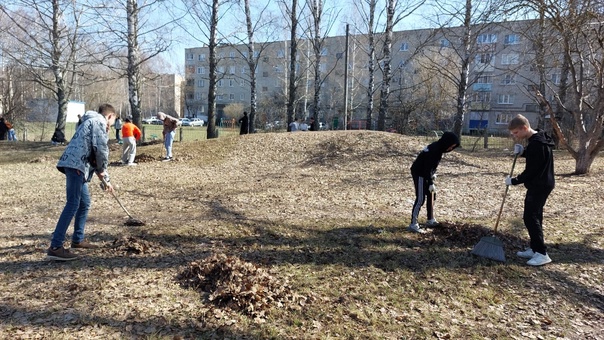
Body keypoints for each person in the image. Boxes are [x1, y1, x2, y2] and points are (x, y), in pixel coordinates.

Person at [46, 104, 116, 261]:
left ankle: (77, 240)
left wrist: (105, 178)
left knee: (84, 203)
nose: (111, 125)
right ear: (110, 116)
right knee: (73, 204)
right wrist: (103, 172)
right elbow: (101, 150)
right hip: (76, 165)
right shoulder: (99, 122)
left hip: (76, 165)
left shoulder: (88, 121)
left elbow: (93, 152)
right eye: (113, 121)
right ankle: (55, 247)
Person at [505, 114, 555, 266]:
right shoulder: (538, 139)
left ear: (524, 128)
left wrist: (514, 181)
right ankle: (535, 248)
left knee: (530, 217)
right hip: (542, 183)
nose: (515, 136)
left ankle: (541, 253)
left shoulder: (537, 144)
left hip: (539, 185)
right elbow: (536, 157)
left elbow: (531, 170)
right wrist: (523, 153)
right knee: (535, 216)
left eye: (516, 133)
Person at [408, 131, 460, 233]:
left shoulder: (438, 148)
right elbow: (426, 168)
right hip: (419, 173)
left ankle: (430, 219)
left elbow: (430, 167)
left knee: (431, 194)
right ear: (446, 142)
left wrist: (432, 175)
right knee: (421, 198)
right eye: (451, 146)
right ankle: (413, 224)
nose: (451, 149)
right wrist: (430, 182)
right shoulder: (434, 150)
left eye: (453, 147)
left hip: (426, 173)